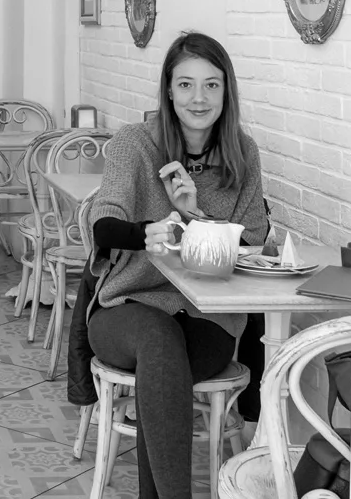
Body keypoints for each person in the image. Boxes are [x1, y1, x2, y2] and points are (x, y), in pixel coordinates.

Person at [85, 31, 268, 499]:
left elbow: (252, 241)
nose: (199, 98)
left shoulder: (243, 154)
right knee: (158, 341)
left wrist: (195, 214)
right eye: (186, 84)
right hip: (127, 304)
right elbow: (102, 223)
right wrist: (146, 230)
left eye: (211, 84)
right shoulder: (134, 144)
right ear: (168, 89)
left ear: (227, 90)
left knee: (162, 371)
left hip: (208, 317)